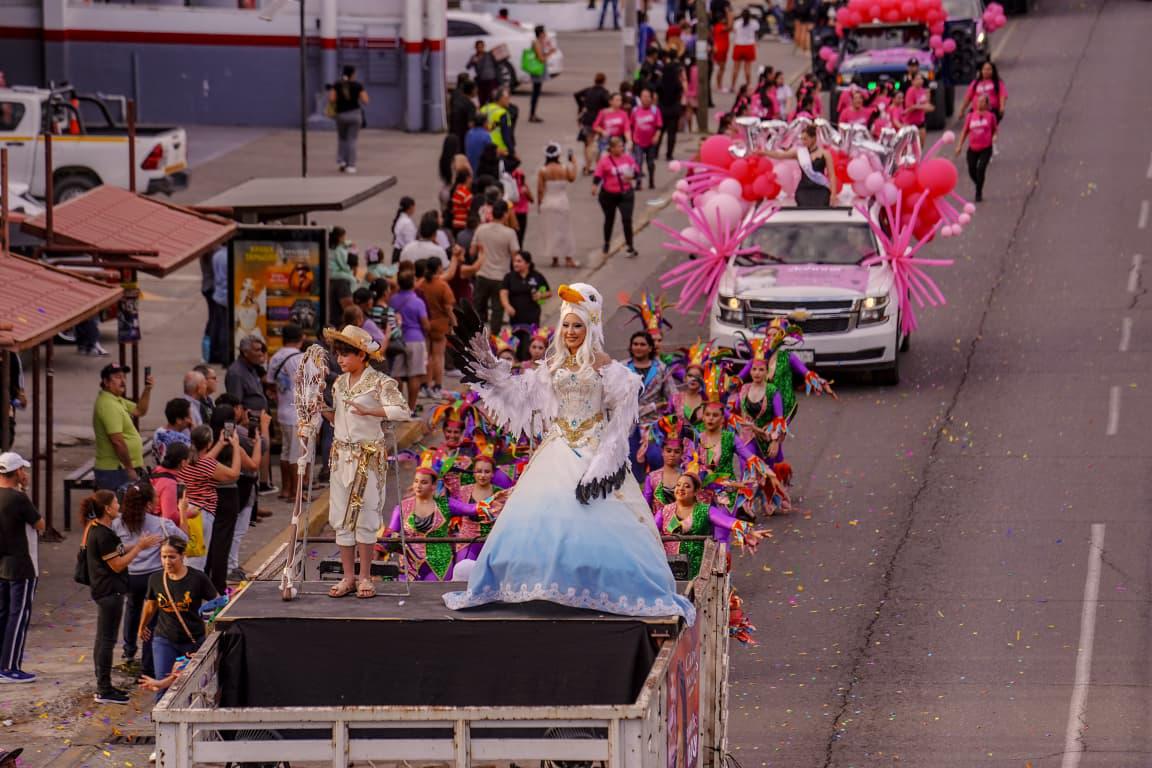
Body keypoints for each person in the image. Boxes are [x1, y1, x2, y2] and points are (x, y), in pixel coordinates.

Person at [443, 282, 694, 621]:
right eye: (566, 324)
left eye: (578, 324)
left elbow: (622, 422)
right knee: (543, 522)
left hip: (595, 455)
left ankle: (593, 587)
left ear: (591, 326)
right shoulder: (551, 368)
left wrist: (606, 460)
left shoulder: (610, 370)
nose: (572, 331)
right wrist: (484, 365)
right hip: (557, 449)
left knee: (591, 522)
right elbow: (516, 395)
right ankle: (539, 586)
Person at [321, 325, 409, 599]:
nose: (340, 359)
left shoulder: (380, 382)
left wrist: (371, 410)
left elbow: (403, 411)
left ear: (362, 355)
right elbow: (338, 420)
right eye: (338, 355)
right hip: (341, 458)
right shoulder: (338, 383)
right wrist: (319, 409)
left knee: (367, 515)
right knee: (341, 517)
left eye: (346, 354)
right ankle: (348, 577)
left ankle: (365, 576)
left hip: (367, 458)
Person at [82, 490, 163, 704]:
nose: (119, 505)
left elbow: (116, 550)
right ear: (107, 509)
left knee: (103, 640)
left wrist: (138, 544)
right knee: (107, 641)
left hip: (104, 590)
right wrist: (139, 548)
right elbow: (117, 564)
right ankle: (104, 688)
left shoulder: (98, 529)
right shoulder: (103, 534)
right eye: (116, 502)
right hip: (110, 591)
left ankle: (104, 684)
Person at [112, 482, 186, 678]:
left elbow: (112, 548)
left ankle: (128, 651)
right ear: (148, 503)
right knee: (151, 621)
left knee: (132, 609)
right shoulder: (161, 524)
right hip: (153, 578)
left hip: (129, 576)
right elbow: (183, 540)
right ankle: (148, 665)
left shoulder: (116, 523)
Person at [137, 538, 216, 699]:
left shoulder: (197, 578)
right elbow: (151, 605)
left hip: (192, 640)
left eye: (172, 557)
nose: (167, 561)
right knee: (163, 688)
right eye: (163, 556)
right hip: (164, 639)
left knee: (190, 687)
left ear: (182, 556)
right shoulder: (156, 579)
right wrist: (142, 626)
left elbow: (217, 602)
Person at [655, 472, 763, 578]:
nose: (681, 488)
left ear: (696, 491)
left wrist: (749, 530)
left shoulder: (705, 510)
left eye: (687, 486)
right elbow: (650, 530)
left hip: (699, 570)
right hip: (669, 569)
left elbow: (728, 521)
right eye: (678, 485)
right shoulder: (664, 511)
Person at [206, 402, 266, 592]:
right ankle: (217, 584)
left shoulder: (207, 443)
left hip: (208, 495)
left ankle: (206, 580)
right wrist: (255, 443)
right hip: (229, 494)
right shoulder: (233, 445)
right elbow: (253, 465)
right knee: (223, 542)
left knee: (209, 540)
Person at [0, 452, 42, 683]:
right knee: (19, 616)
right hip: (22, 565)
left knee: (4, 614)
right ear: (16, 472)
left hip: (2, 564)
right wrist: (24, 491)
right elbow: (40, 523)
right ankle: (10, 666)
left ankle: (2, 663)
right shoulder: (18, 499)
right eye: (22, 471)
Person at [177, 425, 242, 572]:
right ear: (208, 444)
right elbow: (234, 474)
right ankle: (193, 592)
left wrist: (219, 444)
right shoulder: (206, 464)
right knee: (197, 561)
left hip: (185, 510)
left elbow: (204, 461)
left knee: (188, 555)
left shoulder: (185, 460)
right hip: (201, 514)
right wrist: (236, 446)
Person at [226, 335, 275, 496]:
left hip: (259, 418)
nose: (261, 352)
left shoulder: (253, 367)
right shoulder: (236, 373)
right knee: (256, 453)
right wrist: (244, 422)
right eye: (257, 350)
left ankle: (262, 484)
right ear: (245, 353)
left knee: (263, 448)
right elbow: (236, 403)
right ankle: (256, 488)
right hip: (248, 423)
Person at [92, 363, 153, 491]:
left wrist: (147, 389)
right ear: (106, 382)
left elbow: (139, 411)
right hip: (115, 471)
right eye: (118, 377)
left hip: (120, 469)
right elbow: (117, 441)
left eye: (124, 377)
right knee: (121, 509)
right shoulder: (108, 405)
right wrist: (129, 469)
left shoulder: (116, 400)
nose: (123, 380)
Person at [625, 331, 675, 480]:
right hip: (629, 425)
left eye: (642, 344)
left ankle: (656, 496)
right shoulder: (622, 368)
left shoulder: (661, 369)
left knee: (656, 459)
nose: (638, 347)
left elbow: (673, 395)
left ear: (650, 348)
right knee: (631, 465)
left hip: (653, 426)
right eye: (635, 344)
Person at [266, 324, 305, 502]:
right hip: (296, 412)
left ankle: (286, 489)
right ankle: (296, 493)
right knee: (296, 454)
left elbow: (269, 382)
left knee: (286, 451)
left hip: (283, 410)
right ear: (301, 338)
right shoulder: (299, 358)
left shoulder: (275, 357)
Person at [471, 200, 521, 333]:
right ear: (505, 214)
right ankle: (494, 339)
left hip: (482, 274)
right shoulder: (509, 233)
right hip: (501, 276)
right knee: (497, 311)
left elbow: (472, 251)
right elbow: (515, 255)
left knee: (478, 308)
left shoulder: (481, 229)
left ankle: (476, 337)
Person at [761, 124, 837, 207]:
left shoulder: (825, 154)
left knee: (822, 203)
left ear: (814, 138)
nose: (803, 142)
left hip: (821, 188)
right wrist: (764, 152)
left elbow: (832, 175)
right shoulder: (800, 153)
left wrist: (833, 194)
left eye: (805, 139)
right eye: (802, 139)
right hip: (804, 189)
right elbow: (780, 155)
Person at [388, 273, 431, 414]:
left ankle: (399, 406)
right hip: (416, 340)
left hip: (398, 341)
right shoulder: (418, 302)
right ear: (413, 284)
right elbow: (425, 324)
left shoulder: (393, 299)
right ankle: (411, 409)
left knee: (397, 374)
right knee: (415, 375)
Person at [592, 135, 640, 256]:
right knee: (609, 219)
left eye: (622, 146)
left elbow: (637, 171)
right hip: (609, 195)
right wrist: (594, 186)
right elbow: (598, 174)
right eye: (619, 147)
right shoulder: (605, 161)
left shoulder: (628, 159)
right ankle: (607, 242)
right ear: (612, 148)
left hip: (626, 194)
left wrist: (632, 176)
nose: (622, 149)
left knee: (627, 219)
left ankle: (630, 246)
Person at [537, 143, 579, 269]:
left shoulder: (543, 170)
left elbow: (540, 189)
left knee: (551, 230)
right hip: (562, 201)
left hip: (548, 201)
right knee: (565, 230)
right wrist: (575, 164)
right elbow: (572, 178)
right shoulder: (564, 168)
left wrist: (540, 204)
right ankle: (568, 258)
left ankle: (554, 258)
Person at [421, 258, 457, 398]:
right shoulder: (442, 286)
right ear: (439, 269)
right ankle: (437, 386)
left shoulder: (421, 284)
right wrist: (454, 323)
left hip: (425, 324)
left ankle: (426, 384)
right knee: (438, 357)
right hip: (440, 325)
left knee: (427, 356)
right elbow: (448, 307)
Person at [500, 252, 552, 345]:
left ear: (527, 263)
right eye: (514, 261)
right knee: (516, 343)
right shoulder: (509, 277)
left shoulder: (537, 276)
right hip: (516, 317)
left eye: (519, 261)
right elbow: (503, 293)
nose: (515, 263)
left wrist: (541, 295)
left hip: (532, 316)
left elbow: (549, 292)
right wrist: (507, 306)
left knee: (531, 342)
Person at [955, 93, 998, 203]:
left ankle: (978, 192)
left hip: (986, 148)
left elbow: (995, 130)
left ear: (987, 104)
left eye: (983, 101)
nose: (980, 103)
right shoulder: (970, 116)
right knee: (971, 169)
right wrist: (959, 145)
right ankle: (979, 183)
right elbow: (965, 131)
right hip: (973, 148)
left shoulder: (990, 116)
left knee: (981, 168)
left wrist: (994, 137)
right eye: (978, 101)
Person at [327, 65, 369, 174]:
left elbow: (332, 99)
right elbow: (365, 100)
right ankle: (351, 165)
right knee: (352, 140)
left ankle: (342, 161)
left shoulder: (337, 84)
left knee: (342, 138)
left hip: (341, 115)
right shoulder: (358, 85)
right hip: (355, 115)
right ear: (353, 74)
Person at [575, 73, 611, 175]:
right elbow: (609, 103)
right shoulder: (604, 92)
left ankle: (587, 167)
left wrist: (581, 106)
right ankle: (598, 167)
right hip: (599, 120)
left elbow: (576, 95)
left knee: (588, 144)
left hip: (586, 119)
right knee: (598, 144)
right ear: (604, 81)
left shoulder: (588, 90)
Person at [150, 442, 192, 526]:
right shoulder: (169, 484)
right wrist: (189, 514)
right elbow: (169, 517)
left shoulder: (157, 470)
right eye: (188, 460)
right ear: (183, 462)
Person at [642, 435, 686, 513]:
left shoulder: (687, 476)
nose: (672, 455)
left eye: (677, 452)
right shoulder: (652, 477)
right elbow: (645, 505)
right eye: (668, 451)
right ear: (662, 452)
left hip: (682, 522)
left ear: (682, 454)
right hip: (657, 523)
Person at [657, 51, 687, 161]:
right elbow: (681, 91)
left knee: (660, 131)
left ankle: (655, 152)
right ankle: (669, 154)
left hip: (662, 109)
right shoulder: (676, 83)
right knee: (671, 134)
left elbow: (657, 91)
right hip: (674, 110)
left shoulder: (661, 82)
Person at [631, 88, 663, 189]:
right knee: (638, 162)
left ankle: (651, 180)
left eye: (647, 96)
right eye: (643, 96)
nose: (645, 99)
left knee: (650, 163)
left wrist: (656, 136)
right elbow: (631, 126)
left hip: (650, 142)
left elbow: (659, 126)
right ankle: (638, 182)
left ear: (651, 98)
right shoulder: (635, 110)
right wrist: (631, 139)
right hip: (638, 141)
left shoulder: (655, 110)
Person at [960, 60, 1007, 124]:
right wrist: (962, 110)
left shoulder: (998, 83)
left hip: (991, 112)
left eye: (989, 69)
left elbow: (1002, 95)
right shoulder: (975, 83)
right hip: (976, 112)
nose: (986, 71)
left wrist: (1002, 107)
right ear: (981, 71)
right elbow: (968, 97)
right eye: (984, 69)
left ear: (993, 71)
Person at [152, 399, 194, 468]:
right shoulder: (181, 439)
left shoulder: (158, 432)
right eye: (188, 417)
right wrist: (194, 434)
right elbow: (195, 458)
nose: (191, 420)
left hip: (158, 473)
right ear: (179, 420)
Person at [591, 92, 630, 157]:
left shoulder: (623, 114)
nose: (619, 102)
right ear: (610, 102)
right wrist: (602, 131)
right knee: (604, 156)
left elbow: (627, 129)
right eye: (617, 100)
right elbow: (595, 126)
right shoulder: (603, 112)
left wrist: (629, 140)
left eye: (620, 100)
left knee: (622, 156)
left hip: (618, 139)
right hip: (606, 139)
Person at [527, 25, 553, 123]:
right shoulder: (537, 43)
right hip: (537, 71)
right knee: (535, 93)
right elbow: (541, 59)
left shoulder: (539, 43)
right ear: (541, 33)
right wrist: (551, 53)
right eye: (544, 32)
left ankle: (533, 114)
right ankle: (532, 114)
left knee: (536, 93)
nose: (545, 34)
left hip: (538, 71)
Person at [729, 8, 758, 92]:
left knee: (736, 68)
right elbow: (756, 31)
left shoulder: (737, 23)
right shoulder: (754, 23)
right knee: (747, 69)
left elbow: (734, 31)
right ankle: (749, 86)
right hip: (749, 46)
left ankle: (732, 86)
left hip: (739, 45)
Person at [1, 353, 24, 452]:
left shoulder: (11, 355)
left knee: (7, 432)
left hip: (7, 400)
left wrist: (20, 393)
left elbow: (18, 378)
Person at [904, 72, 933, 144]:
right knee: (911, 145)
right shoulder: (911, 91)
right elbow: (909, 107)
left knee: (921, 143)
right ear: (913, 81)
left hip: (920, 122)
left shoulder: (923, 91)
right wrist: (921, 107)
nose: (920, 81)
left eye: (921, 79)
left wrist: (929, 106)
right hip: (910, 123)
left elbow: (927, 105)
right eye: (917, 79)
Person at [467, 41, 499, 105]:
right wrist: (473, 62)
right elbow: (468, 67)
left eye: (481, 47)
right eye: (478, 47)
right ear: (475, 47)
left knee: (492, 99)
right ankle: (482, 113)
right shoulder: (474, 57)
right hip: (481, 81)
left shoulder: (489, 55)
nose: (480, 48)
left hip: (491, 80)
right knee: (482, 100)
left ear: (484, 47)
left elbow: (497, 64)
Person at [449, 79, 479, 148]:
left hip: (453, 134)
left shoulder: (458, 101)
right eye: (476, 89)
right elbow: (471, 124)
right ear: (472, 90)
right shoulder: (470, 105)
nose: (477, 91)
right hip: (463, 137)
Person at [710, 4, 732, 94]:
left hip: (722, 50)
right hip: (721, 50)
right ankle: (719, 85)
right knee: (721, 69)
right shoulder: (720, 27)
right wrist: (730, 14)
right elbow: (730, 27)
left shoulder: (716, 27)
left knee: (721, 68)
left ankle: (719, 84)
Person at [391, 197, 418, 264]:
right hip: (403, 255)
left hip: (398, 252)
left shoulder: (400, 219)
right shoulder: (407, 222)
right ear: (411, 207)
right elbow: (410, 243)